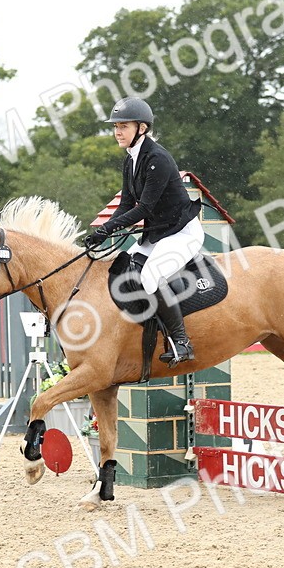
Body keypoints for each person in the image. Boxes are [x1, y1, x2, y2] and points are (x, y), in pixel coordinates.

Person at [84, 97, 202, 366]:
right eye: (115, 126)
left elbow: (145, 208)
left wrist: (107, 229)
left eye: (123, 126)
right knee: (126, 268)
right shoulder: (130, 160)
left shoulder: (157, 158)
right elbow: (126, 204)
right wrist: (103, 233)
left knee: (150, 277)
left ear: (142, 128)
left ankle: (182, 342)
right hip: (158, 234)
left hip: (182, 233)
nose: (117, 132)